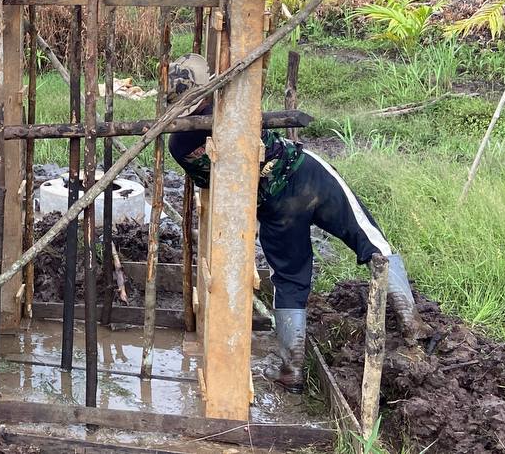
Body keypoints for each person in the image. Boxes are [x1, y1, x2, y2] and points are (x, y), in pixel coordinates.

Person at [164, 54, 430, 394]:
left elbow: (212, 182)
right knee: (371, 240)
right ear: (208, 86)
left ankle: (291, 370)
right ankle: (411, 325)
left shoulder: (179, 144)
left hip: (274, 209)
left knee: (289, 280)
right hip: (307, 177)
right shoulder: (232, 105)